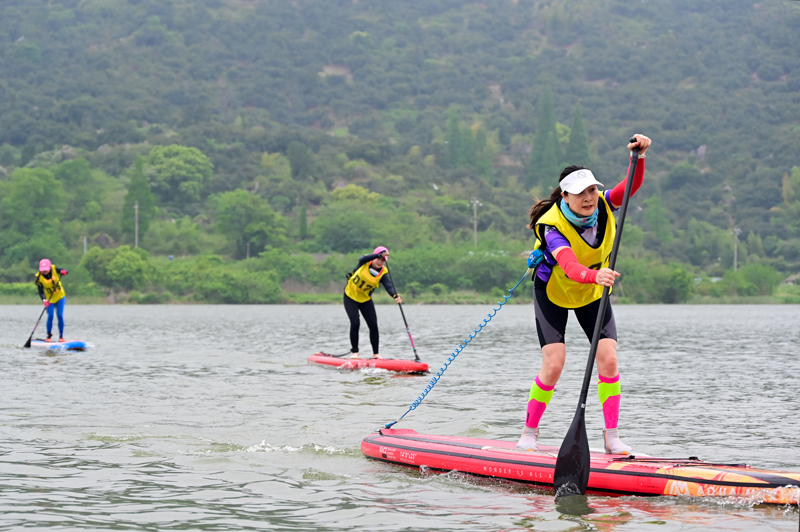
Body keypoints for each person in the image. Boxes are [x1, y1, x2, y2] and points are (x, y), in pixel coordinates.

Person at [517, 134, 652, 455]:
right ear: (565, 195)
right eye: (580, 193)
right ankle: (528, 435)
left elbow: (629, 187)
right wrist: (596, 275)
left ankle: (612, 438)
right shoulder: (551, 226)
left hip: (592, 294)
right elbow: (569, 265)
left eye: (592, 189)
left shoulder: (604, 203)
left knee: (609, 359)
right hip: (554, 291)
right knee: (554, 364)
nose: (590, 198)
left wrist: (640, 157)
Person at [344, 246, 403, 359]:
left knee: (373, 325)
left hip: (365, 299)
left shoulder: (383, 272)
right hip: (350, 297)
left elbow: (389, 286)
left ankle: (376, 354)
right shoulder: (364, 262)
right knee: (355, 323)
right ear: (375, 257)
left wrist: (395, 295)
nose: (380, 262)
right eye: (379, 258)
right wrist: (381, 254)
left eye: (383, 260)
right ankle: (355, 352)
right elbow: (363, 258)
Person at [34, 259, 69, 343]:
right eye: (43, 270)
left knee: (60, 315)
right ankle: (48, 336)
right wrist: (44, 300)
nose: (45, 271)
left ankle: (61, 337)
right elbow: (40, 291)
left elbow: (66, 270)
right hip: (49, 299)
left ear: (49, 267)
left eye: (46, 269)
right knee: (50, 316)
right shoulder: (39, 277)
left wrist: (64, 272)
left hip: (60, 296)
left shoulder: (54, 269)